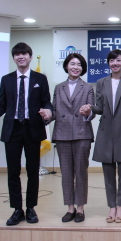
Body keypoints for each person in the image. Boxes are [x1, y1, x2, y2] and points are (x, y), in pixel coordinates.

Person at [0, 42, 52, 226]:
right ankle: (17, 209)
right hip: (12, 130)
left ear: (30, 57)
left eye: (24, 54)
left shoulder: (40, 79)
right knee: (13, 172)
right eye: (17, 54)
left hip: (32, 130)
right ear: (14, 58)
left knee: (32, 172)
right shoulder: (6, 79)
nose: (21, 57)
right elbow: (2, 106)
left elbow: (47, 102)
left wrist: (48, 112)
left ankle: (30, 208)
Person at [43, 53, 95, 223]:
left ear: (83, 68)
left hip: (82, 133)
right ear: (66, 66)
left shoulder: (87, 88)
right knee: (66, 173)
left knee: (80, 171)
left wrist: (88, 112)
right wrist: (46, 115)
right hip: (62, 133)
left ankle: (80, 208)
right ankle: (69, 208)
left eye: (79, 65)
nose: (75, 67)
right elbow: (55, 111)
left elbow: (91, 112)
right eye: (72, 64)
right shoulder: (59, 88)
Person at [89, 49, 121, 223]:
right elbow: (99, 107)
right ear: (108, 63)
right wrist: (89, 108)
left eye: (118, 60)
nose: (115, 63)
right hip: (106, 130)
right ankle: (111, 206)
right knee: (108, 172)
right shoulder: (101, 82)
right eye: (111, 61)